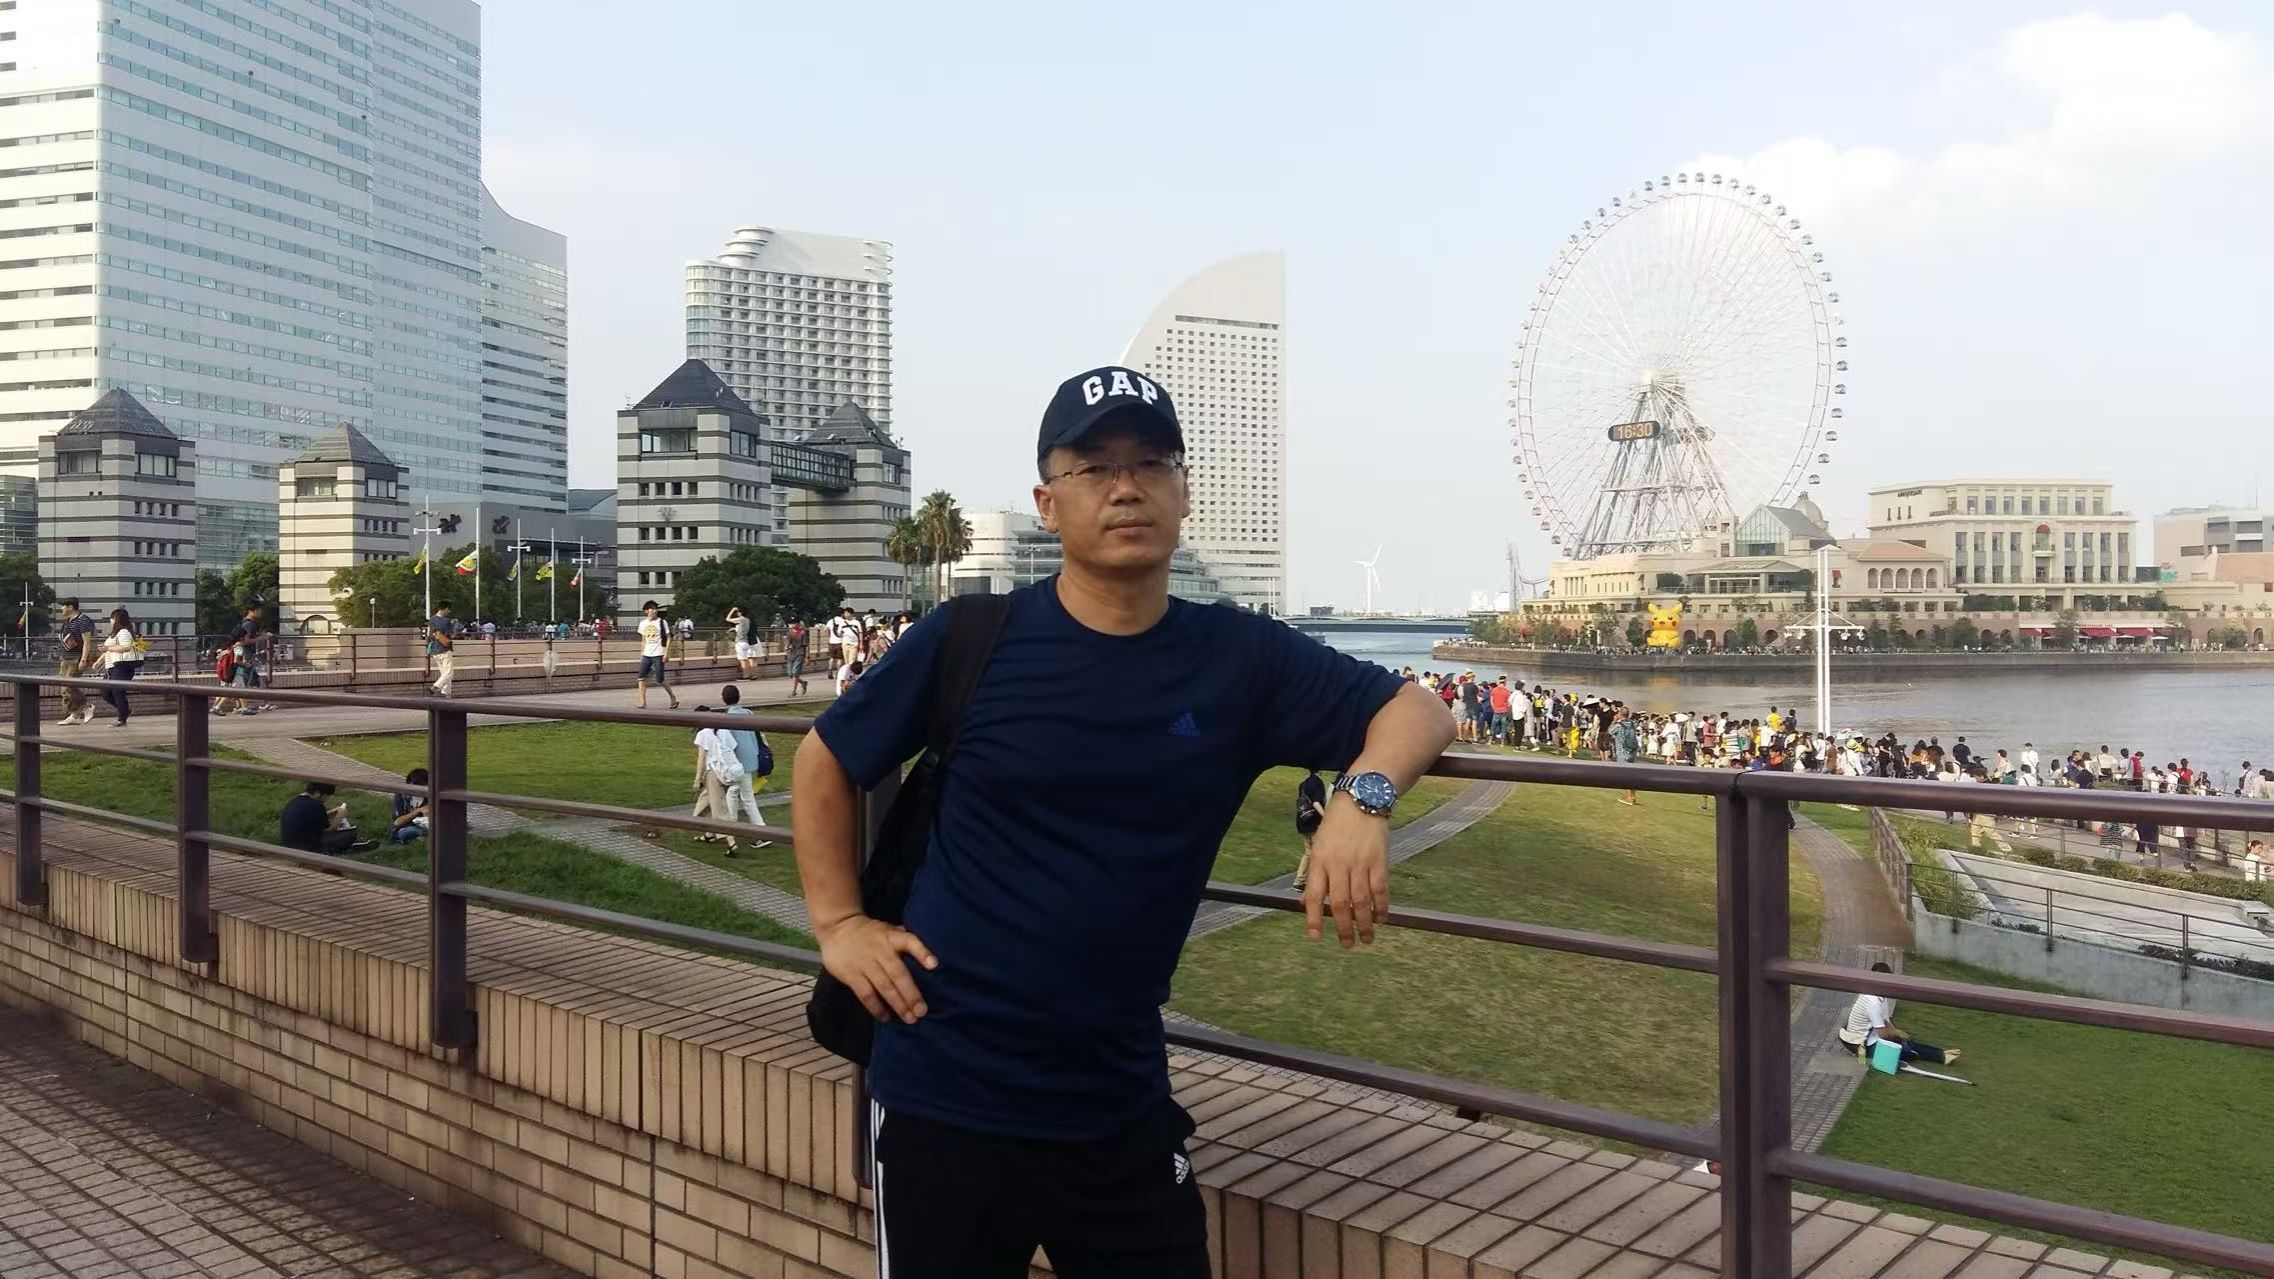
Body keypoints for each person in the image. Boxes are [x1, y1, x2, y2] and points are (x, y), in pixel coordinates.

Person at [793, 364, 1451, 1275]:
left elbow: (1419, 708)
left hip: (1118, 1104)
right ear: (1048, 503)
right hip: (945, 1090)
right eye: (1094, 467)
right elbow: (826, 758)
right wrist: (838, 923)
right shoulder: (972, 637)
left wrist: (1361, 797)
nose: (1126, 486)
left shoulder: (1238, 656)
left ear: (1184, 492)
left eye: (1150, 462)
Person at [1837, 962, 1960, 1067]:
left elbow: (1886, 1021)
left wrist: (1898, 1034)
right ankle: (1940, 1057)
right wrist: (1897, 1034)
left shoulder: (1879, 995)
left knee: (1907, 1041)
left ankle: (1942, 1054)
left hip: (1871, 1038)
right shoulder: (1872, 1001)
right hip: (1862, 1045)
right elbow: (1883, 1034)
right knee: (1906, 1051)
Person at [690, 706, 752, 854]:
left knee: (719, 808)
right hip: (729, 773)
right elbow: (733, 748)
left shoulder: (703, 734)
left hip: (714, 773)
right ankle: (709, 834)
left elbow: (701, 759)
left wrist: (697, 779)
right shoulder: (724, 730)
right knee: (706, 802)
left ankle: (731, 842)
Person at [720, 684, 773, 848]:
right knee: (734, 792)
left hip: (739, 763)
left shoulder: (727, 719)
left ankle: (760, 832)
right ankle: (731, 825)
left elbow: (729, 745)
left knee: (746, 797)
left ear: (723, 699)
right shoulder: (748, 714)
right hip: (752, 759)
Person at [279, 781, 371, 855]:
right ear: (317, 793)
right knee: (350, 834)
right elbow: (330, 829)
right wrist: (340, 816)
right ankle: (345, 847)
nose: (326, 799)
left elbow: (312, 818)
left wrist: (332, 812)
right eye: (327, 796)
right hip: (307, 847)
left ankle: (347, 847)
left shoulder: (295, 800)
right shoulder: (316, 805)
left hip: (288, 843)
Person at [216, 602, 272, 717]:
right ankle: (228, 707)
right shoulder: (248, 625)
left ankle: (240, 707)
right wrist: (263, 637)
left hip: (242, 661)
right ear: (251, 611)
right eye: (259, 610)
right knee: (242, 685)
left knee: (241, 685)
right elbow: (245, 641)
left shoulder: (246, 624)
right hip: (245, 660)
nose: (261, 612)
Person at [53, 597, 99, 726]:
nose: (61, 608)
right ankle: (74, 715)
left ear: (70, 607)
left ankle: (87, 706)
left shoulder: (83, 620)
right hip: (66, 657)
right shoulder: (68, 621)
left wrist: (83, 659)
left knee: (68, 686)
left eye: (63, 606)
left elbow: (87, 642)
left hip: (76, 658)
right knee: (64, 688)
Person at [97, 607, 142, 727]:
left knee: (117, 691)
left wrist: (107, 648)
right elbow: (110, 650)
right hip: (112, 668)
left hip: (122, 668)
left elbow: (126, 647)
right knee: (105, 692)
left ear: (117, 619)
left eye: (112, 618)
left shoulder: (124, 632)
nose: (110, 620)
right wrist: (99, 661)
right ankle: (125, 711)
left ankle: (122, 718)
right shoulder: (116, 633)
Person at [636, 600, 681, 710]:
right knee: (641, 678)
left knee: (660, 679)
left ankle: (673, 698)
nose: (654, 611)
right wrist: (641, 653)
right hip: (647, 654)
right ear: (646, 611)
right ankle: (643, 702)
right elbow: (643, 639)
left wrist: (666, 653)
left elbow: (669, 638)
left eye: (655, 609)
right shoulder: (643, 624)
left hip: (658, 653)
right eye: (652, 609)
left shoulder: (662, 622)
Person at [390, 768, 431, 843]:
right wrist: (418, 811)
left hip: (428, 825)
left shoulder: (432, 795)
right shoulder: (402, 795)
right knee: (409, 832)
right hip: (408, 827)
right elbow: (397, 822)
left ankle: (423, 838)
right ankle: (422, 837)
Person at [427, 603, 459, 697]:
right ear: (444, 609)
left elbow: (429, 634)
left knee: (444, 674)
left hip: (435, 650)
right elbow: (452, 635)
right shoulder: (446, 621)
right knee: (449, 673)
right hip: (445, 649)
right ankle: (434, 687)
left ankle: (447, 694)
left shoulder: (432, 619)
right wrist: (455, 627)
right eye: (448, 609)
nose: (449, 611)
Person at [728, 606, 758, 679]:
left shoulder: (740, 619)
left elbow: (728, 619)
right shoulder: (747, 620)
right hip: (746, 641)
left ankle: (745, 676)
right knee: (746, 659)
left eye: (738, 612)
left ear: (740, 613)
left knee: (742, 660)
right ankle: (748, 675)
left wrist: (732, 610)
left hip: (740, 642)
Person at [785, 618, 810, 697]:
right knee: (790, 674)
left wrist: (807, 656)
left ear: (798, 624)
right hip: (791, 654)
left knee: (795, 673)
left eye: (794, 623)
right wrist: (787, 647)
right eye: (791, 623)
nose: (792, 625)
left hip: (800, 654)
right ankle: (803, 683)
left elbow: (806, 645)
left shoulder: (803, 632)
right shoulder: (790, 632)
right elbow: (788, 642)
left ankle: (794, 691)